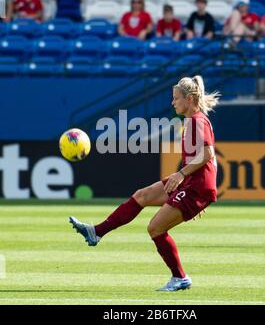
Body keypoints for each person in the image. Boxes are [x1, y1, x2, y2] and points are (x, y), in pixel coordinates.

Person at [69, 75, 219, 292]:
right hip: (192, 184)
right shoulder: (193, 120)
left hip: (195, 186)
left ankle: (180, 278)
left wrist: (183, 177)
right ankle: (96, 232)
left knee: (155, 227)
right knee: (142, 195)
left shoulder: (196, 121)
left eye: (176, 98)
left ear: (189, 99)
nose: (172, 102)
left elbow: (208, 154)